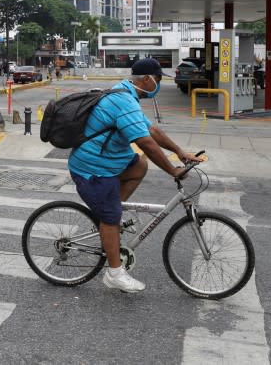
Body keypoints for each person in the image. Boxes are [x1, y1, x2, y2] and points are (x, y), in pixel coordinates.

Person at [68, 57, 203, 293]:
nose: (159, 85)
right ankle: (114, 273)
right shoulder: (124, 100)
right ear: (147, 79)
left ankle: (109, 216)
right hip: (93, 168)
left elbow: (151, 130)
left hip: (108, 161)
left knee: (139, 165)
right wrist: (172, 170)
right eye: (158, 79)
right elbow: (145, 142)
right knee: (110, 216)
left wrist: (179, 152)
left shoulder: (127, 94)